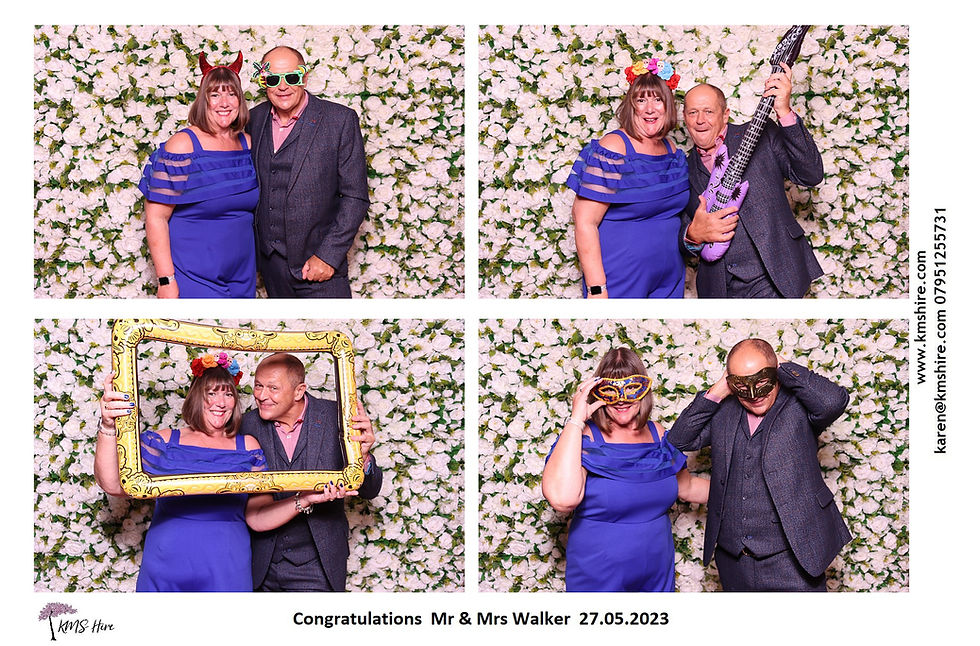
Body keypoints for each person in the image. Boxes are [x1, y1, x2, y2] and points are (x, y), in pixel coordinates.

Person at [669, 338, 852, 591]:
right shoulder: (725, 411)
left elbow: (833, 402)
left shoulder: (799, 406)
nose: (754, 395)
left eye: (762, 382)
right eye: (742, 386)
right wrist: (717, 390)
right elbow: (679, 439)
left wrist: (783, 366)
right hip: (734, 560)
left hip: (794, 558)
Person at [542, 347, 708, 591]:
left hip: (656, 568)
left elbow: (688, 487)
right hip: (599, 572)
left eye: (631, 389)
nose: (621, 399)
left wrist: (749, 492)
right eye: (611, 390)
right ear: (596, 391)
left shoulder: (657, 432)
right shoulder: (584, 436)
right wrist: (576, 419)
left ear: (644, 390)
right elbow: (562, 499)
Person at [680, 64, 825, 298]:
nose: (700, 120)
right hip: (722, 291)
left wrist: (784, 111)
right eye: (692, 112)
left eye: (708, 111)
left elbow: (810, 174)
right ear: (684, 118)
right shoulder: (682, 169)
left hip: (775, 277)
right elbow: (679, 231)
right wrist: (692, 235)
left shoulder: (760, 134)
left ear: (725, 115)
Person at [241, 353, 383, 591]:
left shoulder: (338, 417)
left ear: (299, 391)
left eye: (273, 388)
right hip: (261, 562)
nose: (262, 395)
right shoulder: (247, 424)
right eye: (258, 386)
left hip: (317, 562)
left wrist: (364, 456)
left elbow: (370, 490)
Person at [246, 46, 369, 298]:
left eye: (292, 77)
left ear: (304, 77)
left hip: (320, 269)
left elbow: (355, 197)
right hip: (271, 267)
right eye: (273, 79)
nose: (283, 87)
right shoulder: (253, 119)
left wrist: (327, 256)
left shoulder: (339, 120)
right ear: (263, 82)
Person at [566, 57, 689, 299]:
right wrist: (597, 289)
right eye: (641, 100)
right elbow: (584, 221)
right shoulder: (614, 147)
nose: (649, 108)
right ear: (632, 106)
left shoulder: (672, 149)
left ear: (668, 105)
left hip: (670, 277)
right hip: (620, 276)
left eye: (657, 100)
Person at [139, 53, 259, 298]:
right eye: (215, 95)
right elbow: (156, 217)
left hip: (242, 275)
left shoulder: (247, 143)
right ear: (203, 100)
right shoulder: (182, 146)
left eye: (231, 94)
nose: (224, 103)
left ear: (240, 100)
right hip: (193, 275)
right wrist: (166, 280)